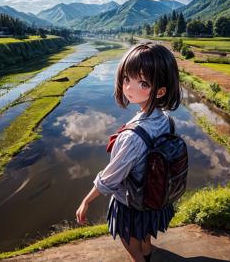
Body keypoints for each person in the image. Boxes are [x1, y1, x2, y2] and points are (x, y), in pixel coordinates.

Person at [76, 43, 182, 262]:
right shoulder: (167, 120)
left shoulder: (132, 137)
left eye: (142, 83)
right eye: (126, 79)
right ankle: (148, 254)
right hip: (154, 199)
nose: (129, 88)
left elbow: (111, 178)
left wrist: (86, 201)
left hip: (131, 205)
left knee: (131, 247)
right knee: (144, 239)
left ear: (160, 91)